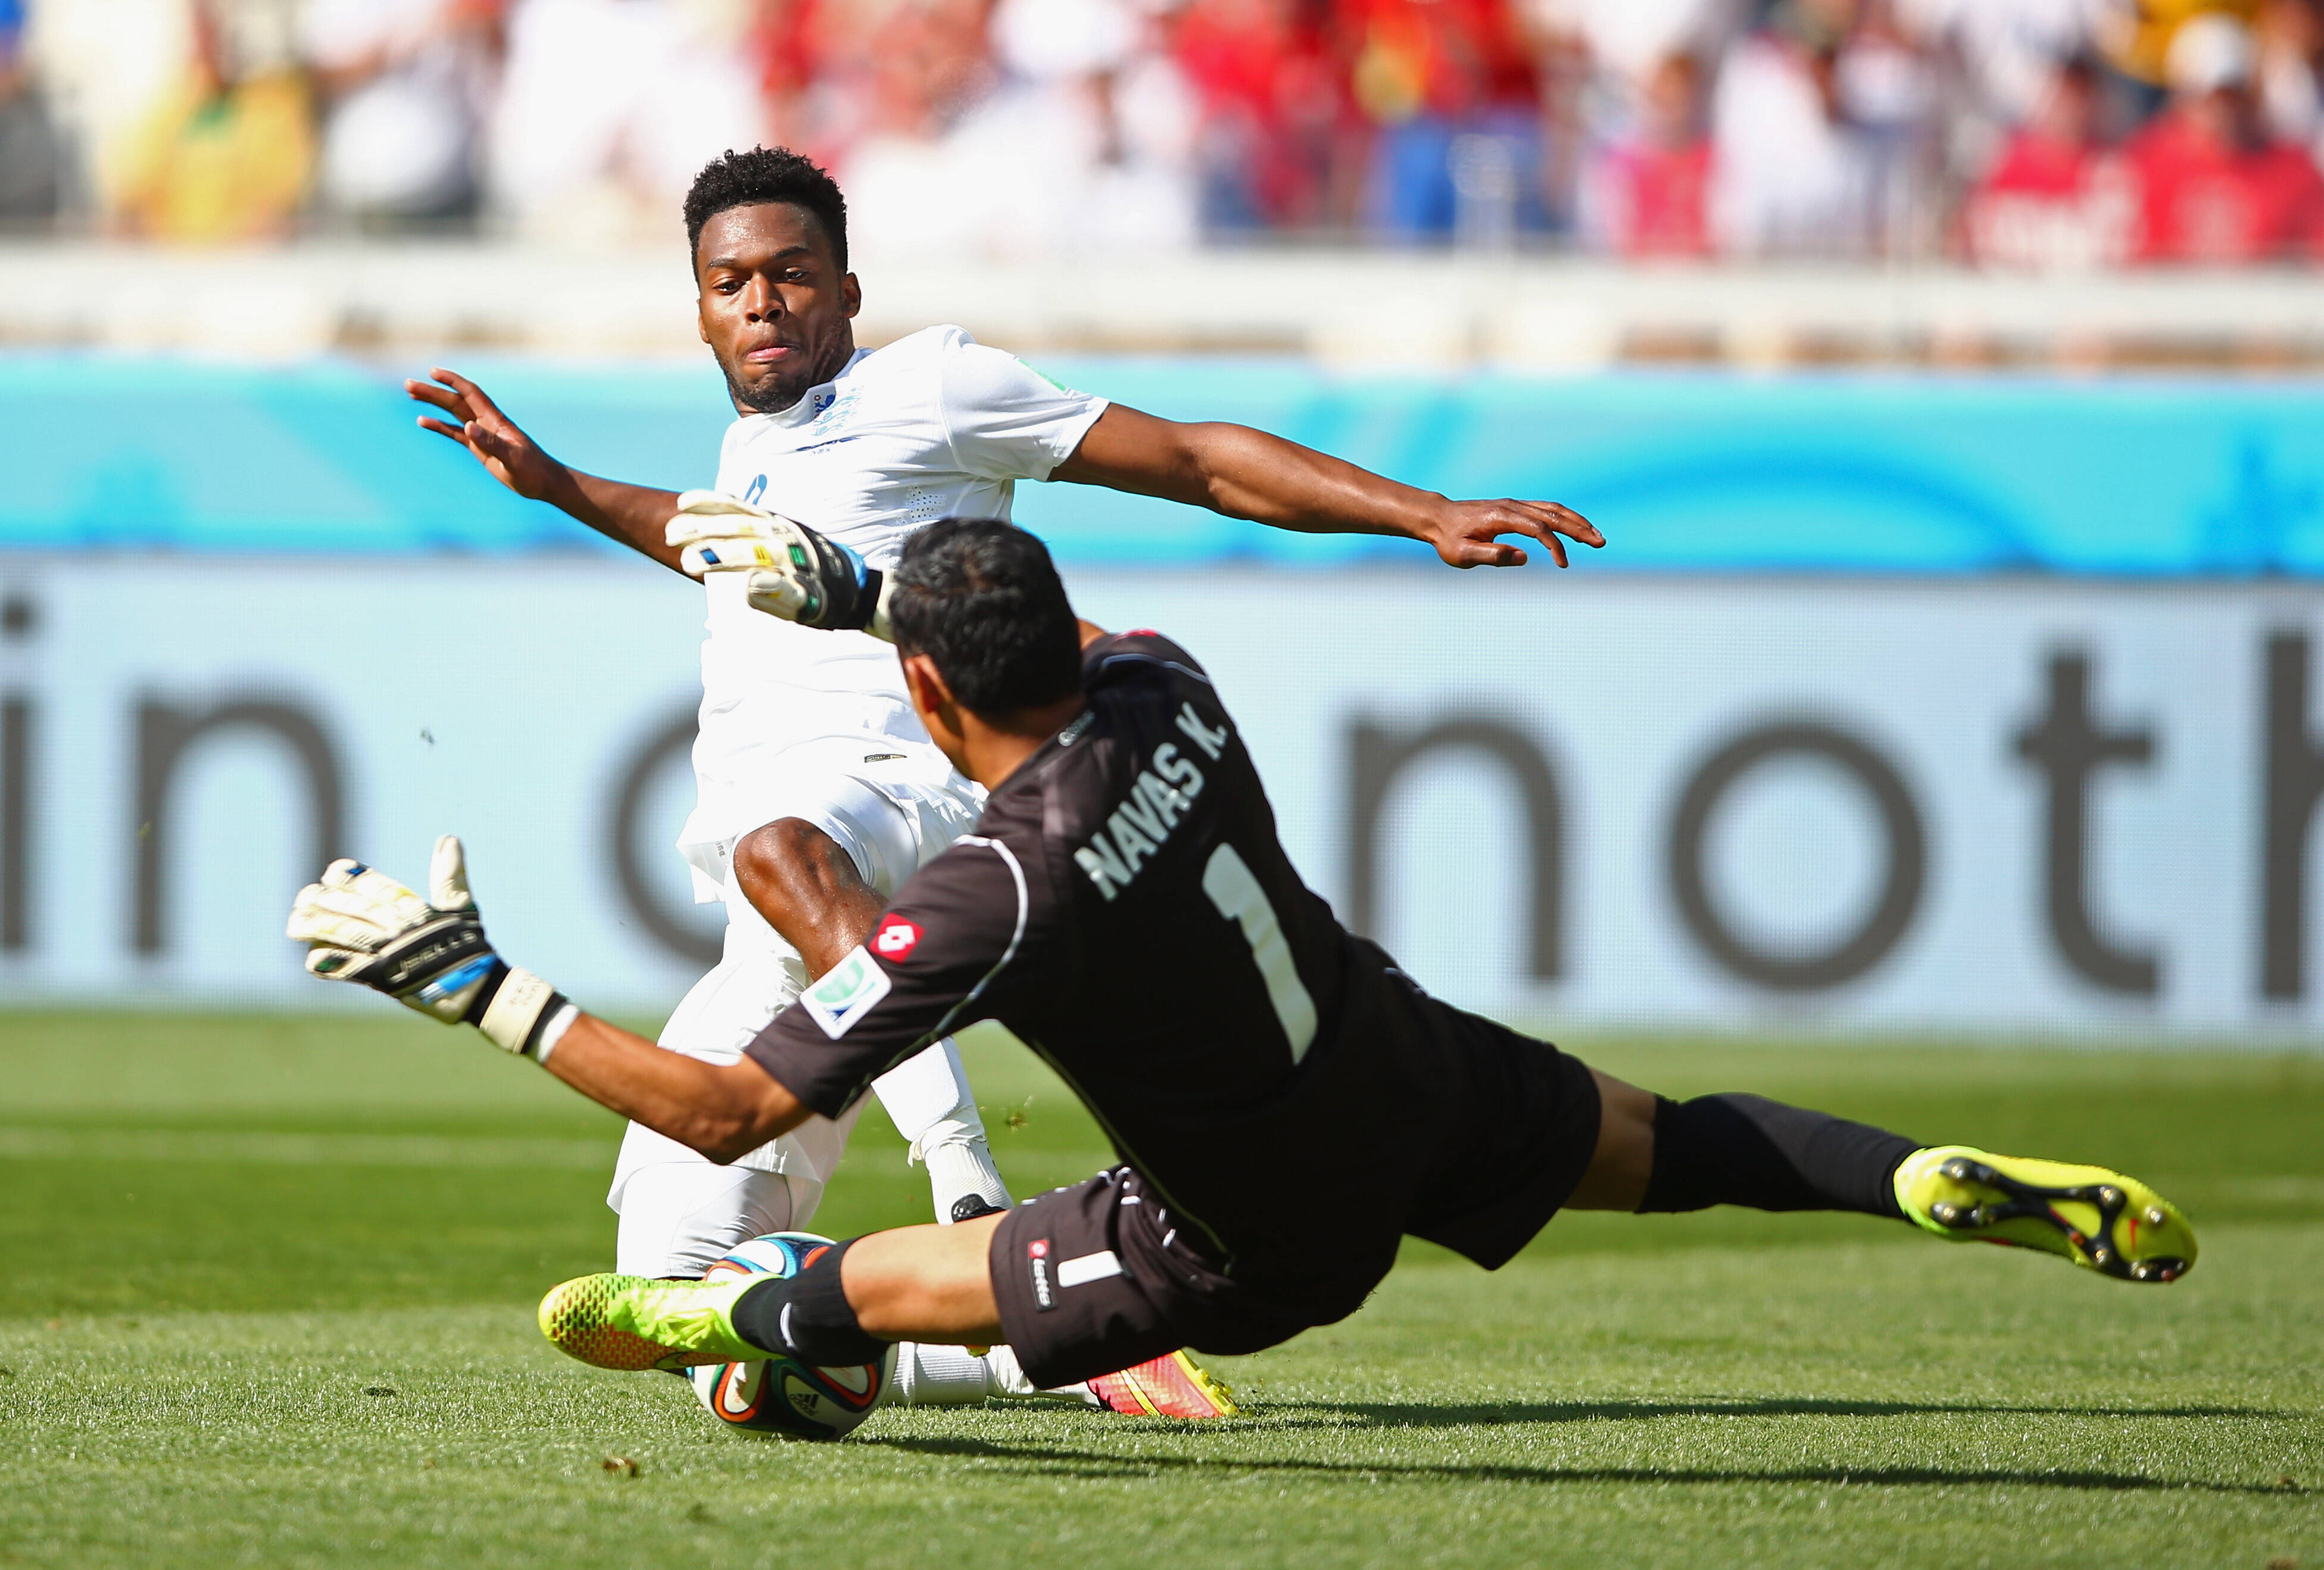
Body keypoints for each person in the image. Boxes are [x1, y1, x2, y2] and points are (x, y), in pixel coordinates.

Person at [288, 516, 2199, 1403]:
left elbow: (728, 1097)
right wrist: (867, 585)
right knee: (1685, 1139)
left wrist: (476, 982)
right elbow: (1067, 617)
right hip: (1409, 1060)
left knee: (879, 1276)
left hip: (1248, 1234)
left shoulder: (991, 896)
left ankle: (751, 1326)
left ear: (929, 689)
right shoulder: (1160, 688)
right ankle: (1911, 1174)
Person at [400, 145, 1602, 1413]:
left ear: (848, 291)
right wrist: (558, 487)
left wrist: (1419, 511)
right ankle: (1051, 1350)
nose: (761, 302)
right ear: (700, 306)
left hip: (913, 806)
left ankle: (968, 1186)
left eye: (791, 274)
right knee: (691, 1310)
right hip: (791, 924)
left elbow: (1190, 457)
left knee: (778, 849)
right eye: (731, 282)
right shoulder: (750, 445)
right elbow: (708, 537)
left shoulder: (933, 385)